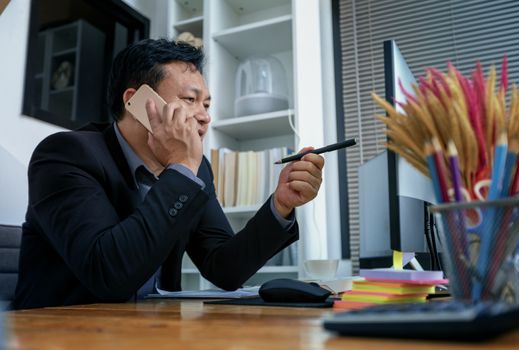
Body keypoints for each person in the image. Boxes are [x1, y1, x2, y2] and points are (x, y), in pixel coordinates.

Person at [12, 39, 324, 309]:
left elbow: (224, 270)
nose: (204, 116)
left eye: (206, 104)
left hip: (154, 330)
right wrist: (182, 169)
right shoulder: (64, 155)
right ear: (136, 102)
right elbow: (108, 274)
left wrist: (281, 205)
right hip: (60, 332)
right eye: (190, 100)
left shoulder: (194, 168)